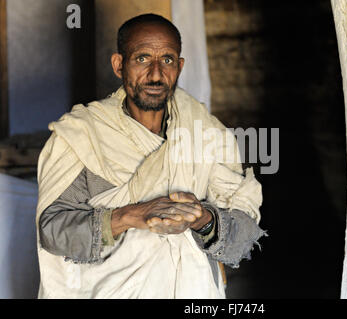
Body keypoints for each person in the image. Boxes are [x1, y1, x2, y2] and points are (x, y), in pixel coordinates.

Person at [36, 13, 265, 299]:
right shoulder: (83, 134)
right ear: (119, 64)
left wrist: (202, 219)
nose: (156, 74)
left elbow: (242, 233)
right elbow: (52, 230)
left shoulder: (204, 131)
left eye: (167, 60)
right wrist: (131, 216)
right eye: (142, 59)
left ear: (179, 66)